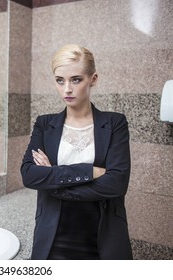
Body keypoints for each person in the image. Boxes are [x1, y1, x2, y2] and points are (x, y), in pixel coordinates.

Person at [20, 44, 132, 260]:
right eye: (60, 80)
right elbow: (29, 175)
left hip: (103, 235)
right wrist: (89, 172)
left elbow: (117, 183)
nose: (67, 89)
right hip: (54, 236)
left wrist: (54, 179)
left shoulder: (115, 123)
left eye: (76, 79)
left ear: (93, 79)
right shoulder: (44, 124)